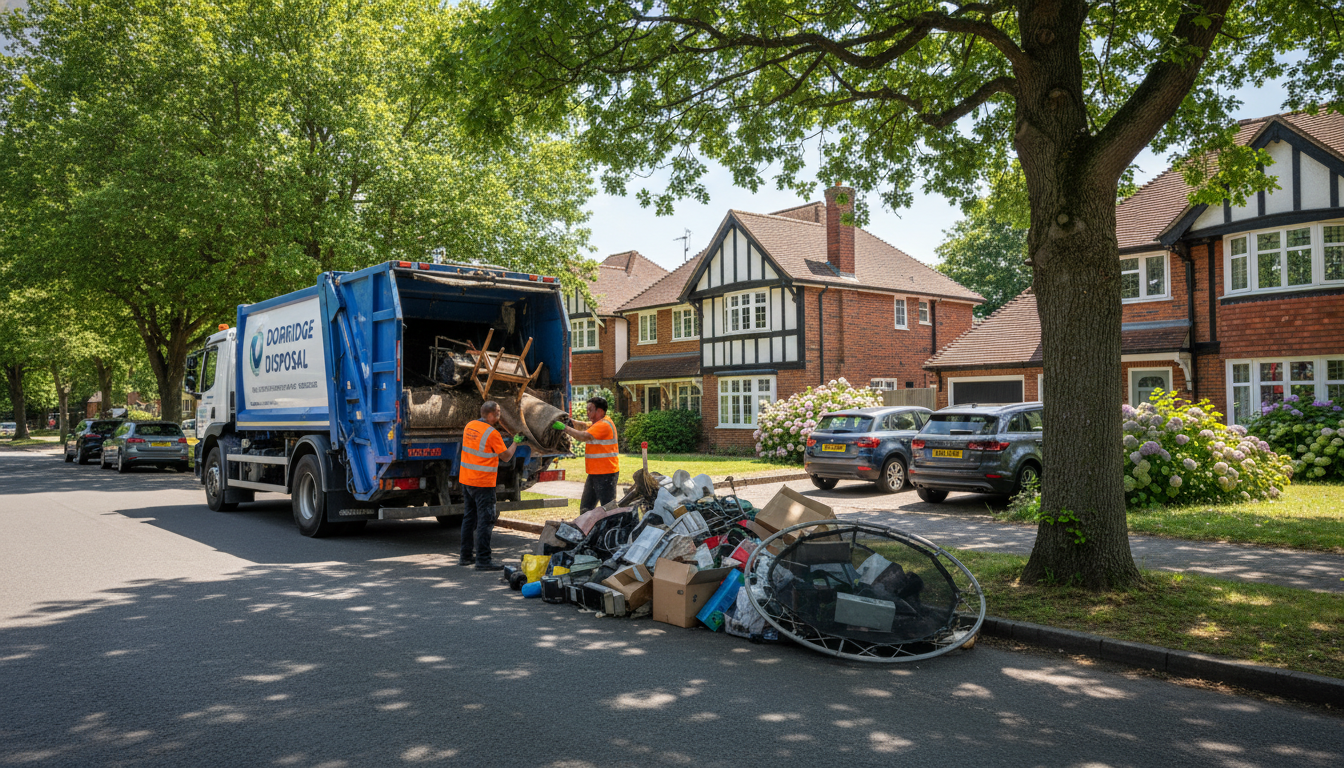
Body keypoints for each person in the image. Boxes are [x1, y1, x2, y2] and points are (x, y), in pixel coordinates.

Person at [459, 400, 523, 571]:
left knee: (469, 518)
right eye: (498, 412)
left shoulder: (469, 426)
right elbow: (506, 457)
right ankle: (483, 560)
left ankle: (465, 556)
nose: (500, 415)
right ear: (490, 414)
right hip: (483, 483)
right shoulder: (492, 434)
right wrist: (515, 442)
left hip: (467, 480)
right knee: (485, 521)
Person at [555, 395, 620, 512]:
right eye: (587, 410)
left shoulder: (603, 425)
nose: (587, 413)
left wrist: (564, 427)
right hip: (596, 473)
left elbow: (583, 436)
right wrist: (569, 421)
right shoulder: (599, 423)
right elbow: (583, 426)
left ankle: (612, 529)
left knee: (609, 510)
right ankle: (586, 529)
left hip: (606, 474)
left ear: (599, 411)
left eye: (590, 410)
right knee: (586, 509)